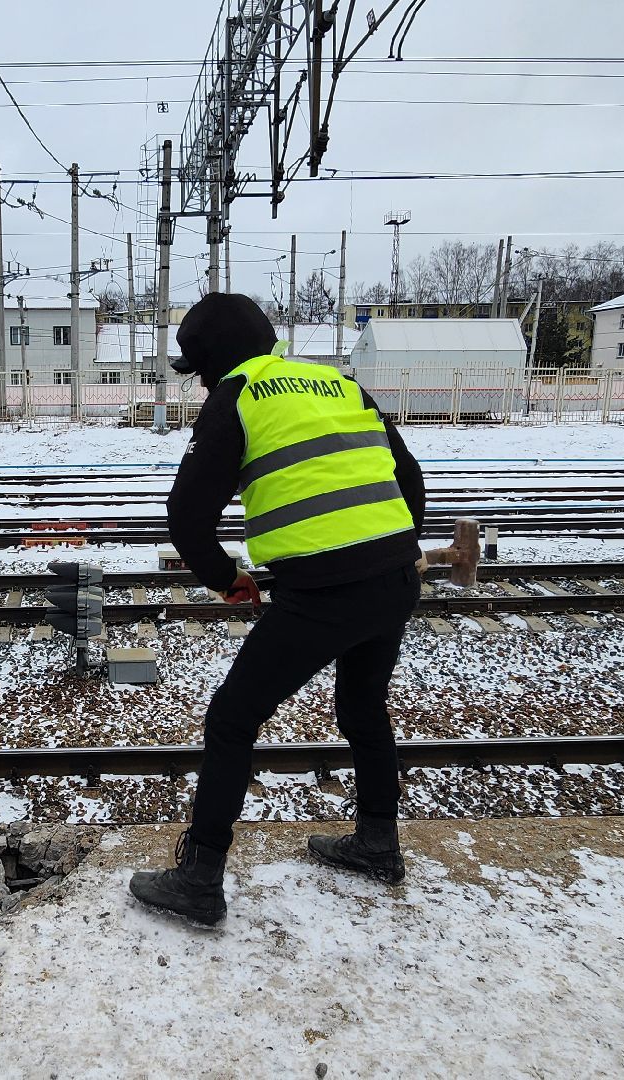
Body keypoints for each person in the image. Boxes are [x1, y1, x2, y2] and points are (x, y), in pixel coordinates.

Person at [129, 292, 427, 925]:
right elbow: (410, 479)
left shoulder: (236, 397)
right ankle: (378, 842)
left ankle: (199, 877)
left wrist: (223, 578)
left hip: (324, 593)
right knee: (363, 708)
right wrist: (398, 551)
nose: (201, 383)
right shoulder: (340, 385)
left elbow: (186, 516)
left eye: (200, 370)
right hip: (395, 577)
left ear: (217, 360)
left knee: (232, 719)